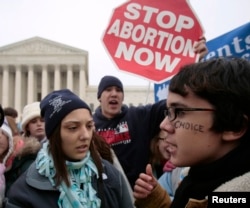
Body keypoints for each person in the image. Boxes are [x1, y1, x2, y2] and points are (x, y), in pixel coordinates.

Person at [133, 57, 250, 208]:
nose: (164, 125)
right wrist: (156, 200)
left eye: (180, 111)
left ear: (234, 126)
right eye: (168, 112)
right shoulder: (195, 178)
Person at [93, 39, 208, 188]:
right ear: (99, 97)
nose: (114, 94)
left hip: (139, 194)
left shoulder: (139, 116)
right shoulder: (89, 126)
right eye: (108, 90)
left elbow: (178, 99)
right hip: (105, 196)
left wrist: (194, 63)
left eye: (118, 90)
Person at [5, 89, 134, 208]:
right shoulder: (23, 192)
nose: (85, 136)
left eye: (89, 126)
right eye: (73, 128)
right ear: (54, 134)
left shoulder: (111, 176)